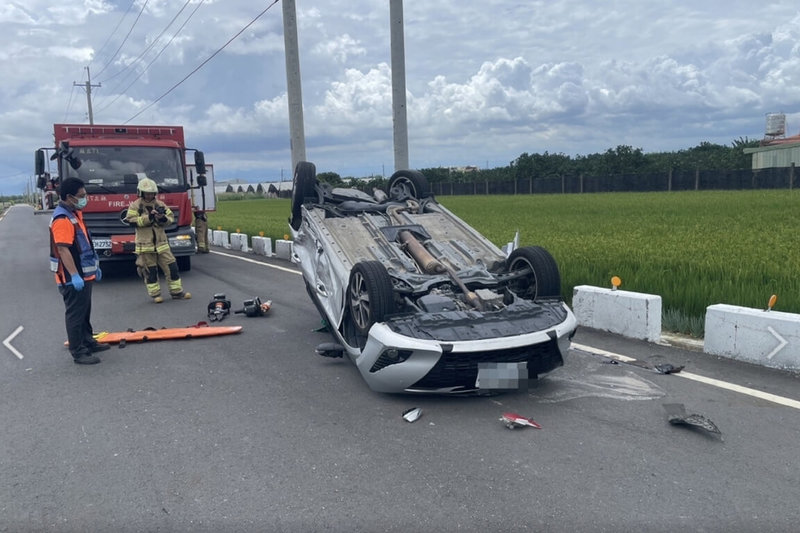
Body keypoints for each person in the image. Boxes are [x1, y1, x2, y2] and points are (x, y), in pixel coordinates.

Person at [50, 177, 109, 364]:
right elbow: (62, 248)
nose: (86, 199)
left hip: (83, 273)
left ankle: (87, 341)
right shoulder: (62, 218)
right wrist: (74, 275)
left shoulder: (74, 213)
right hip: (71, 276)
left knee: (84, 311)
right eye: (81, 196)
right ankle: (78, 351)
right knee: (75, 313)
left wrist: (94, 267)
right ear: (69, 197)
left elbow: (83, 243)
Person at [125, 178, 191, 303]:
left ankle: (177, 292)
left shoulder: (160, 205)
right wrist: (148, 217)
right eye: (146, 193)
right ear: (141, 193)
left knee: (172, 267)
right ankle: (155, 295)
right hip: (145, 245)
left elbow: (170, 219)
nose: (149, 195)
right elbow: (131, 220)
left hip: (162, 244)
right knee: (151, 271)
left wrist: (162, 218)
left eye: (151, 193)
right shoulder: (135, 205)